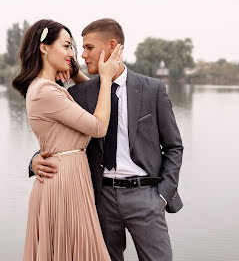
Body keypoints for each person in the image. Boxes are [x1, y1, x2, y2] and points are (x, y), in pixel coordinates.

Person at [30, 18, 184, 261]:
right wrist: (35, 160)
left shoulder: (153, 89)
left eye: (89, 48)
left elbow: (174, 147)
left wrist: (162, 196)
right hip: (99, 199)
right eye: (80, 48)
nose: (82, 56)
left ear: (112, 46)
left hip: (146, 196)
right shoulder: (79, 93)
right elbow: (58, 137)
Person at [13, 19, 123, 261]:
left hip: (72, 178)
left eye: (73, 47)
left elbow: (87, 99)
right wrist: (105, 79)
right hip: (64, 182)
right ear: (44, 47)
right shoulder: (45, 91)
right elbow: (97, 126)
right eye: (66, 46)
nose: (72, 54)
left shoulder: (51, 88)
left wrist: (75, 74)